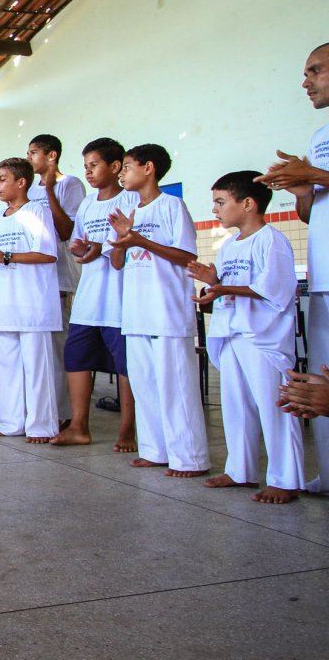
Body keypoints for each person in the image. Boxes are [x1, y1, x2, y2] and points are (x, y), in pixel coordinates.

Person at [187, 172, 302, 504]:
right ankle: (240, 470)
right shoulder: (229, 245)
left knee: (275, 407)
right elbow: (228, 289)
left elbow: (275, 290)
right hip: (231, 332)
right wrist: (213, 286)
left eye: (221, 202)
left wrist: (223, 287)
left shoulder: (271, 240)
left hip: (262, 338)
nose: (215, 210)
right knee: (236, 406)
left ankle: (285, 479)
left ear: (248, 203)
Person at [109, 144, 209, 478]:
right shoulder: (128, 211)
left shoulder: (172, 206)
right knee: (145, 385)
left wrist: (139, 240)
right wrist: (122, 240)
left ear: (148, 168)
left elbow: (187, 256)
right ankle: (155, 450)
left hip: (166, 311)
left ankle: (190, 458)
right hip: (136, 311)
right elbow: (118, 262)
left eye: (127, 167)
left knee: (175, 387)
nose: (122, 174)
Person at [256, 41, 329, 493]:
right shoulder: (318, 137)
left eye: (315, 70)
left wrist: (315, 176)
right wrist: (302, 189)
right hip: (322, 277)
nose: (306, 82)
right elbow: (309, 213)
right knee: (318, 384)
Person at [53, 138, 139, 451]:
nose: (88, 172)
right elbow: (79, 245)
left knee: (125, 365)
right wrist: (82, 250)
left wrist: (99, 248)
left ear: (115, 167)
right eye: (85, 166)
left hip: (119, 297)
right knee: (76, 358)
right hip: (88, 297)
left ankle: (127, 429)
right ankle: (79, 426)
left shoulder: (131, 200)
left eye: (94, 165)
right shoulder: (88, 204)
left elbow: (132, 244)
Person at [0, 158, 61, 443]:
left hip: (33, 303)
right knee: (6, 365)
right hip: (4, 303)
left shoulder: (36, 211)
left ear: (21, 182)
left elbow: (47, 254)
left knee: (37, 367)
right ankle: (12, 422)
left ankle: (42, 426)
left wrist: (5, 257)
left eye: (2, 179)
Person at [27, 134, 86, 423]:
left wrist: (50, 190)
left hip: (60, 278)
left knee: (60, 350)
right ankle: (43, 410)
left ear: (52, 155)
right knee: (41, 353)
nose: (29, 158)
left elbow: (66, 231)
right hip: (34, 281)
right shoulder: (28, 188)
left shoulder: (69, 184)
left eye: (34, 152)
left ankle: (64, 414)